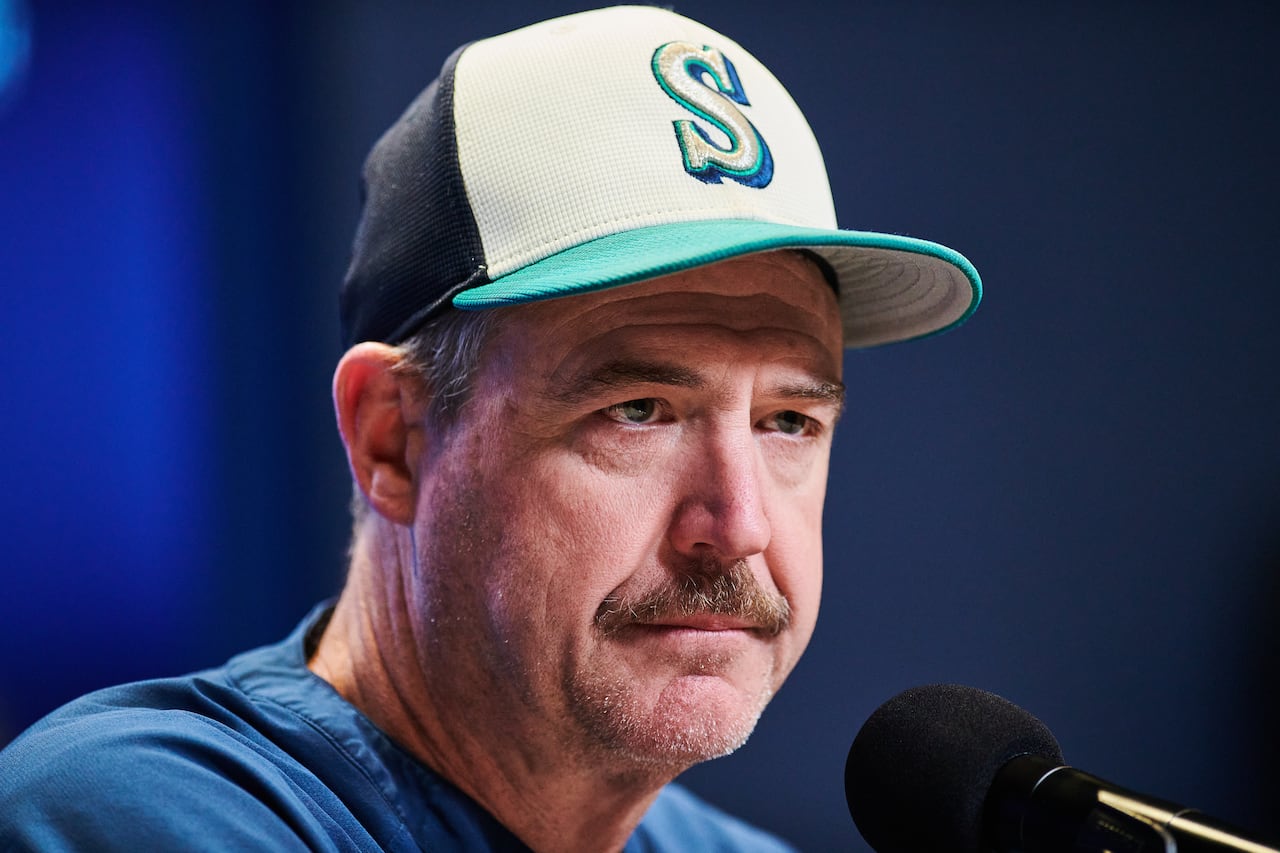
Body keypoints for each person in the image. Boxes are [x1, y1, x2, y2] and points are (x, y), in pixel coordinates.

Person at [0, 6, 980, 851]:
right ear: (392, 437)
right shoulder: (144, 813)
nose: (737, 527)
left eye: (787, 421)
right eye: (635, 411)